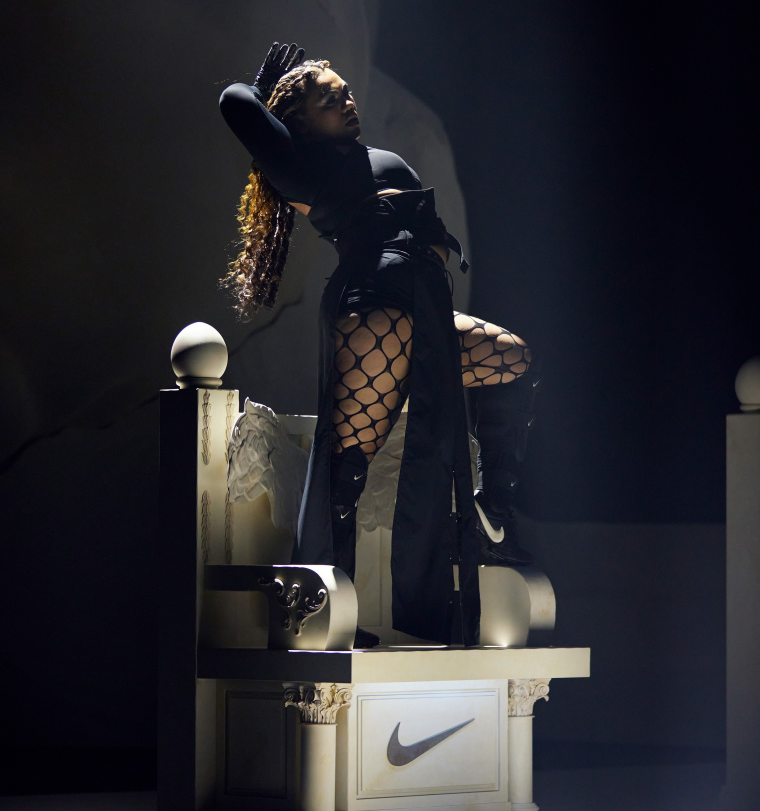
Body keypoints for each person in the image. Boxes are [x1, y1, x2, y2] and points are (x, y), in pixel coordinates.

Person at [219, 43, 540, 646]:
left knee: (514, 360)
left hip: (425, 302)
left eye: (346, 90)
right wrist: (262, 87)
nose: (347, 99)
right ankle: (327, 612)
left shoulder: (367, 157)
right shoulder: (305, 167)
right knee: (347, 471)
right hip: (377, 306)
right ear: (299, 123)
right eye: (329, 97)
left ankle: (493, 509)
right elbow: (233, 103)